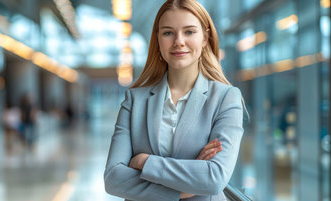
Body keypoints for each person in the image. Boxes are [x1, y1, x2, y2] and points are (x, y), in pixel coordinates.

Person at [104, 0, 247, 200]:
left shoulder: (226, 98)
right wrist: (187, 187)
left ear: (205, 37)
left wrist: (146, 162)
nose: (179, 41)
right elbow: (113, 179)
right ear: (158, 39)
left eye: (189, 32)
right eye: (168, 33)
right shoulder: (134, 100)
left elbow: (214, 178)